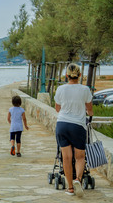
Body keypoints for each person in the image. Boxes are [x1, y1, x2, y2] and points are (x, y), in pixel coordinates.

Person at [54, 63, 93, 197]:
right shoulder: (85, 89)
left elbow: (57, 109)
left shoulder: (60, 89)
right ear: (80, 75)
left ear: (66, 75)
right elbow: (89, 109)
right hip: (78, 126)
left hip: (62, 125)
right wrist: (90, 114)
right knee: (80, 157)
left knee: (66, 157)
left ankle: (70, 188)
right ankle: (78, 180)